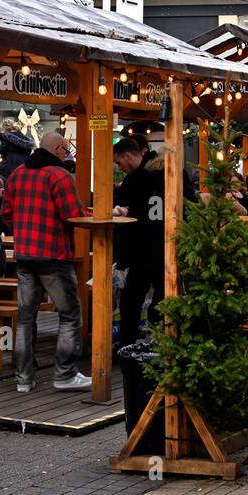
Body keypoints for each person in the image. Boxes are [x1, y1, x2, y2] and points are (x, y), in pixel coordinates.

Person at [3, 131, 91, 392]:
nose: (67, 156)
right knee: (70, 314)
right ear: (57, 150)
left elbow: (5, 214)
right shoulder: (58, 174)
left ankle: (23, 380)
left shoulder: (17, 174)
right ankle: (64, 374)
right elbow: (72, 214)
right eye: (66, 151)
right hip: (54, 255)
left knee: (25, 319)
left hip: (25, 255)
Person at [112, 135, 167, 345]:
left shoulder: (135, 180)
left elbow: (132, 217)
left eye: (119, 162)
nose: (119, 167)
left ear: (128, 156)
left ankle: (127, 345)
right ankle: (159, 342)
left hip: (142, 250)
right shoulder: (167, 173)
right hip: (165, 246)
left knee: (131, 300)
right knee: (161, 297)